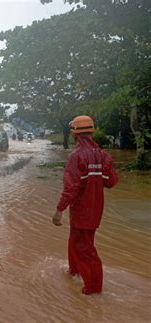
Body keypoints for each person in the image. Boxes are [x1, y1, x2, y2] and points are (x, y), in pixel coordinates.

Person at [52, 115, 118, 295]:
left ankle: (94, 289)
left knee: (85, 248)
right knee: (76, 241)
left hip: (82, 210)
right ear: (92, 132)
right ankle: (74, 272)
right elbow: (111, 182)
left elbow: (71, 187)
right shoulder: (103, 155)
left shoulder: (77, 156)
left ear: (74, 134)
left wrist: (59, 210)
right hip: (96, 209)